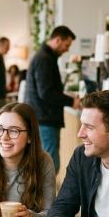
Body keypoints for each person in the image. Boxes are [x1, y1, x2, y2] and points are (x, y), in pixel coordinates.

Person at [26, 25, 77, 172]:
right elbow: (46, 93)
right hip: (45, 118)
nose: (67, 49)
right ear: (58, 40)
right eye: (66, 45)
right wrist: (71, 101)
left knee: (46, 163)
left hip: (42, 117)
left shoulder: (45, 57)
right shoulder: (45, 59)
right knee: (50, 165)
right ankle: (45, 195)